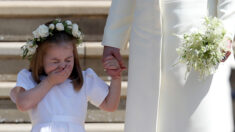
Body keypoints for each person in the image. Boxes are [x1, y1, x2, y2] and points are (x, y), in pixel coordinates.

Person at [102, 0, 235, 132]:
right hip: (146, 34)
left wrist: (226, 32)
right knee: (146, 116)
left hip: (198, 33)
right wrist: (113, 38)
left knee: (198, 117)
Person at [9, 19, 123, 132]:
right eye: (55, 61)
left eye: (68, 60)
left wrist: (116, 77)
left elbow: (110, 105)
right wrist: (50, 81)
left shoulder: (84, 79)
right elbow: (23, 104)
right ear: (40, 60)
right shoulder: (30, 78)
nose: (62, 66)